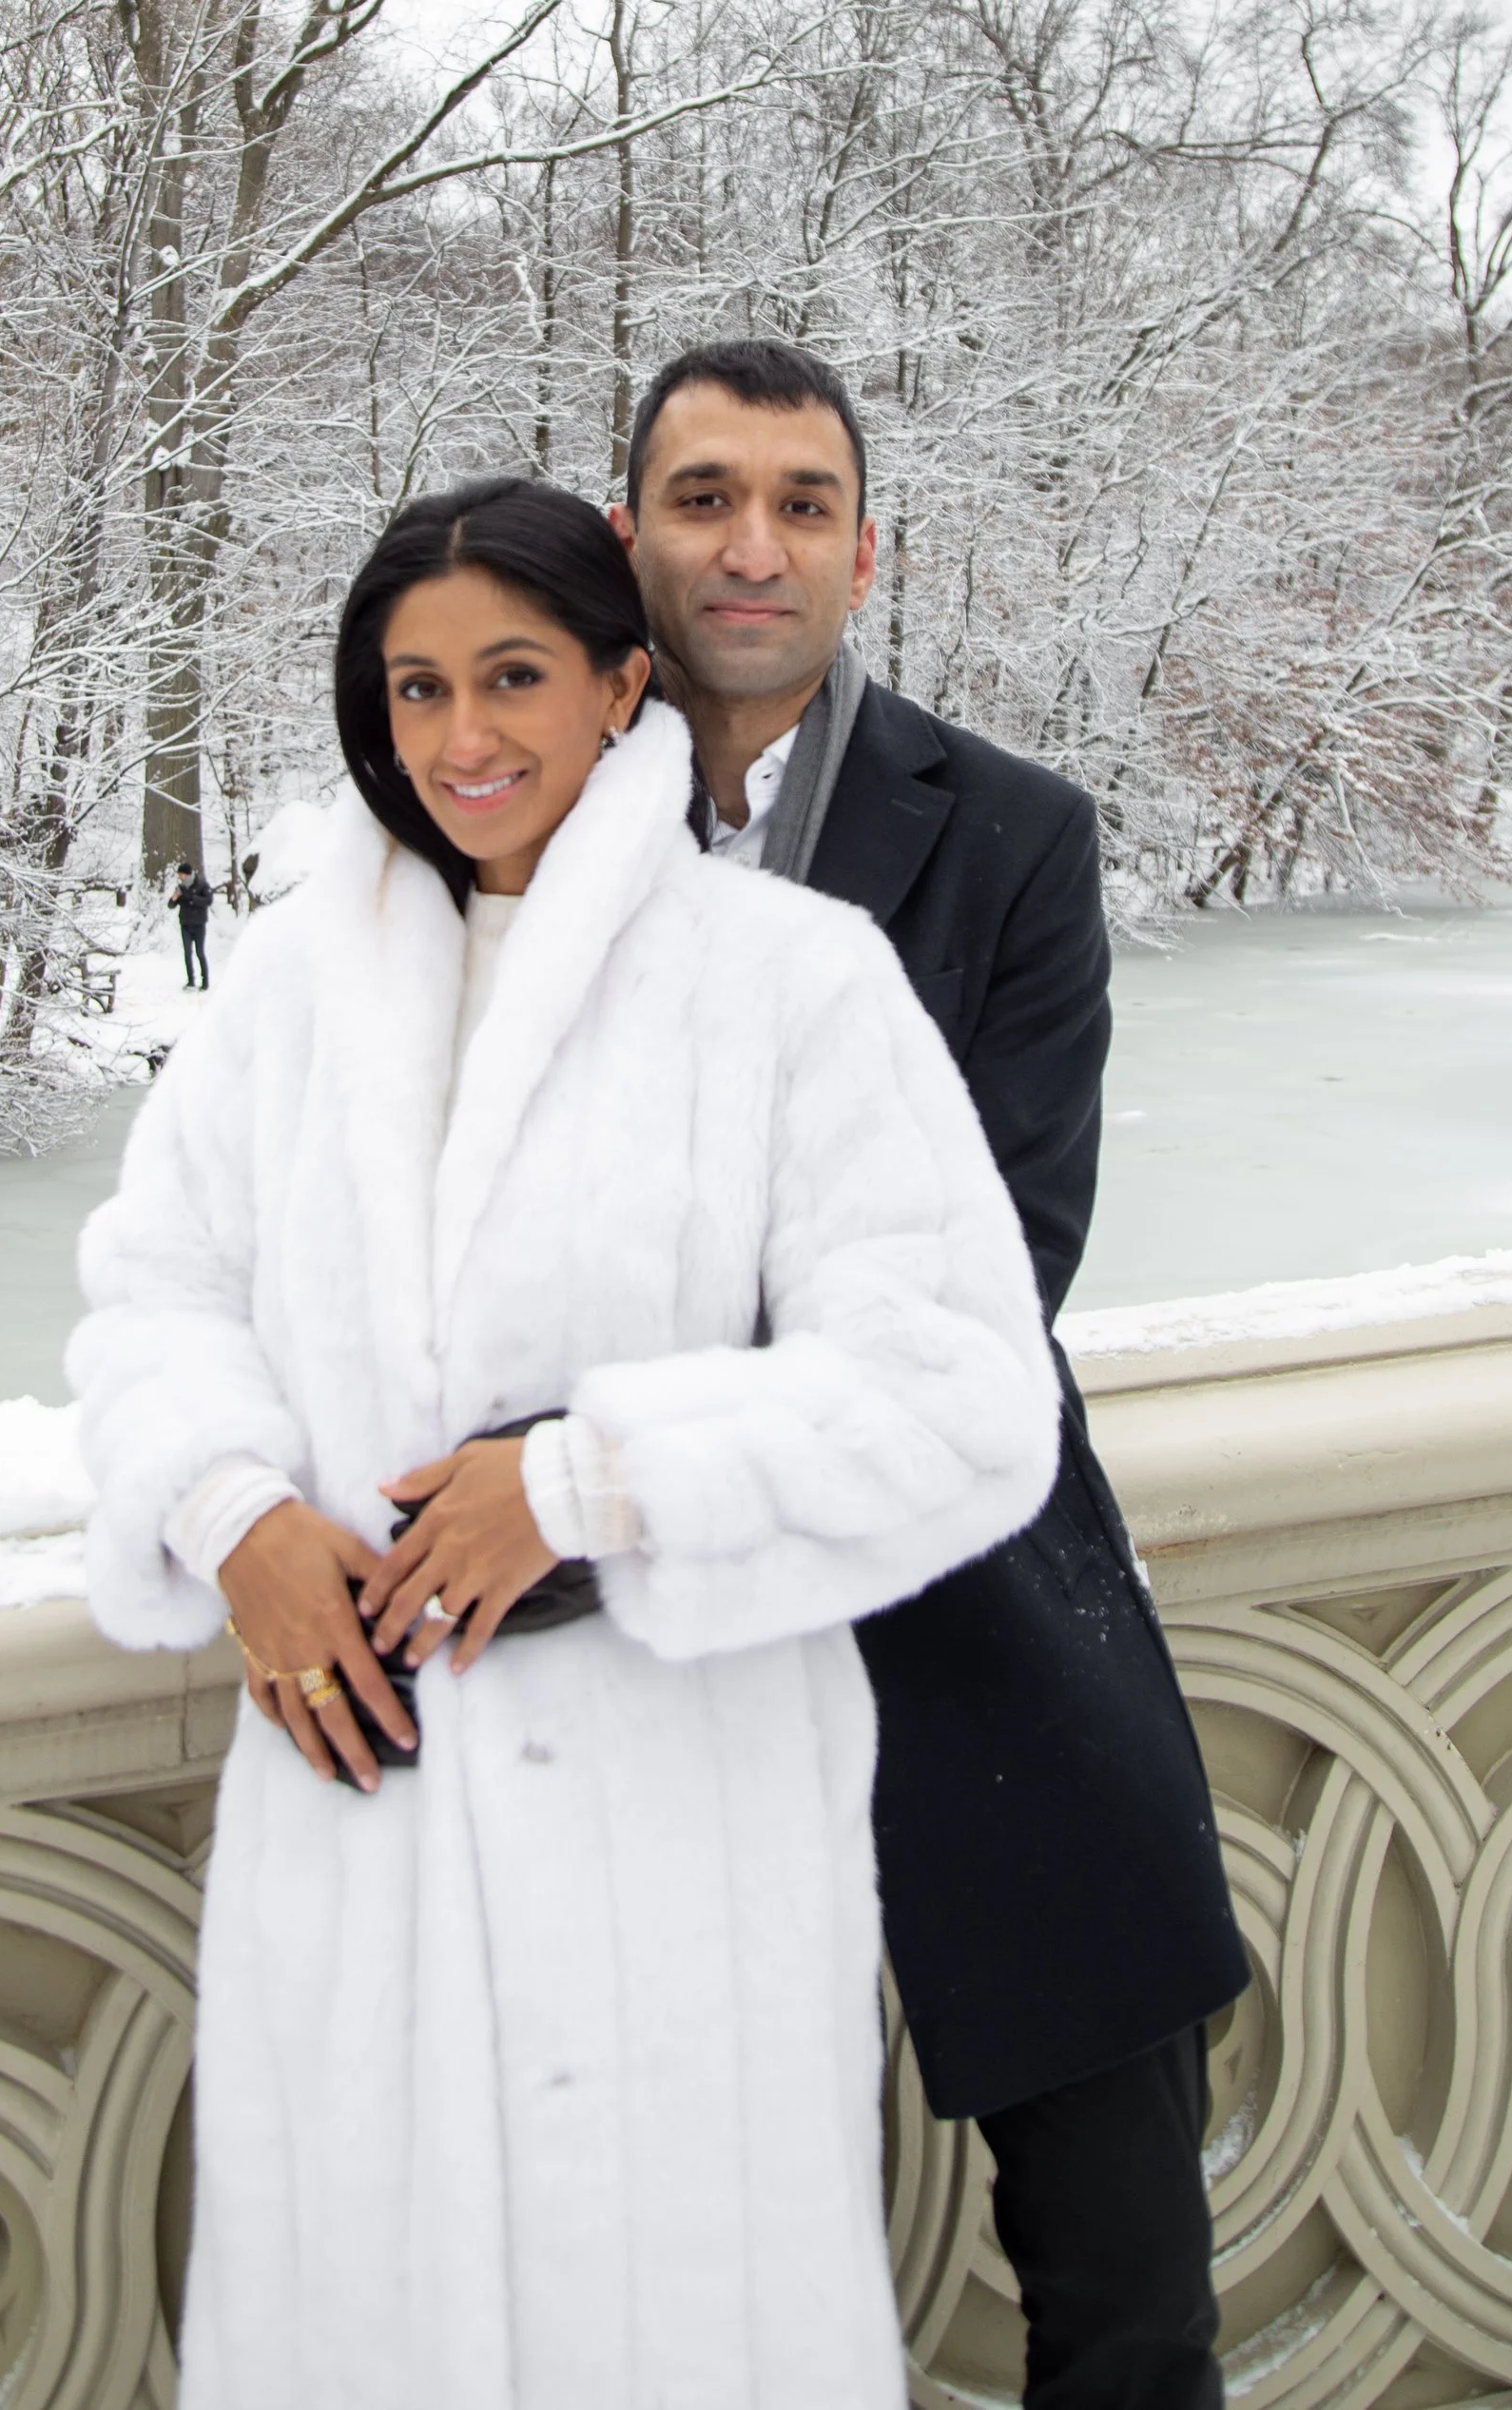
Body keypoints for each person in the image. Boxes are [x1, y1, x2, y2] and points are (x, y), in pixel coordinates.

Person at [70, 476, 1060, 2410]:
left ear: (623, 688)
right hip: (355, 1826)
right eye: (413, 689)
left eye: (510, 677)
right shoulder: (283, 996)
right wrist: (227, 1509)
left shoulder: (784, 987)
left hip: (669, 1838)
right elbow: (152, 1292)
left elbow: (960, 1393)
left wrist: (595, 1484)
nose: (459, 740)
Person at [615, 340, 1250, 2410]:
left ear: (865, 556)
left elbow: (1010, 1262)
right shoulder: (516, 826)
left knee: (1123, 2263)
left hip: (976, 1596)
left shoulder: (1008, 842)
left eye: (801, 503)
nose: (750, 544)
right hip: (646, 1632)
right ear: (627, 532)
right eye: (704, 495)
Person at [165, 858, 213, 988]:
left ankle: (205, 981)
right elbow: (171, 905)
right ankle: (191, 980)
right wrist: (175, 898)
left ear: (187, 874)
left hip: (199, 924)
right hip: (185, 924)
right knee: (187, 953)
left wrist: (192, 898)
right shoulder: (180, 888)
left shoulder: (202, 885)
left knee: (200, 952)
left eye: (181, 875)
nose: (179, 877)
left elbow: (208, 901)